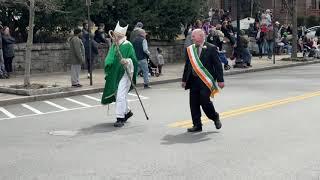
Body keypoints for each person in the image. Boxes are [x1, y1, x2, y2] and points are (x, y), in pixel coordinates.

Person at [182, 29, 224, 132]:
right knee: (193, 103)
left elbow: (217, 65)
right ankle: (197, 125)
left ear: (201, 36)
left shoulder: (211, 48)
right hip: (193, 80)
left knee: (205, 101)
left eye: (193, 36)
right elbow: (187, 65)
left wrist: (220, 80)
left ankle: (215, 117)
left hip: (206, 80)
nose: (192, 38)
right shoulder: (190, 49)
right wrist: (184, 80)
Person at [101, 22, 138, 128]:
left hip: (125, 74)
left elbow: (134, 60)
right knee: (118, 95)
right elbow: (110, 58)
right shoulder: (114, 45)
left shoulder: (128, 45)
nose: (115, 37)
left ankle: (120, 118)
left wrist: (127, 61)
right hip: (115, 74)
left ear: (121, 35)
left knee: (121, 95)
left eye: (116, 36)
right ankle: (127, 112)